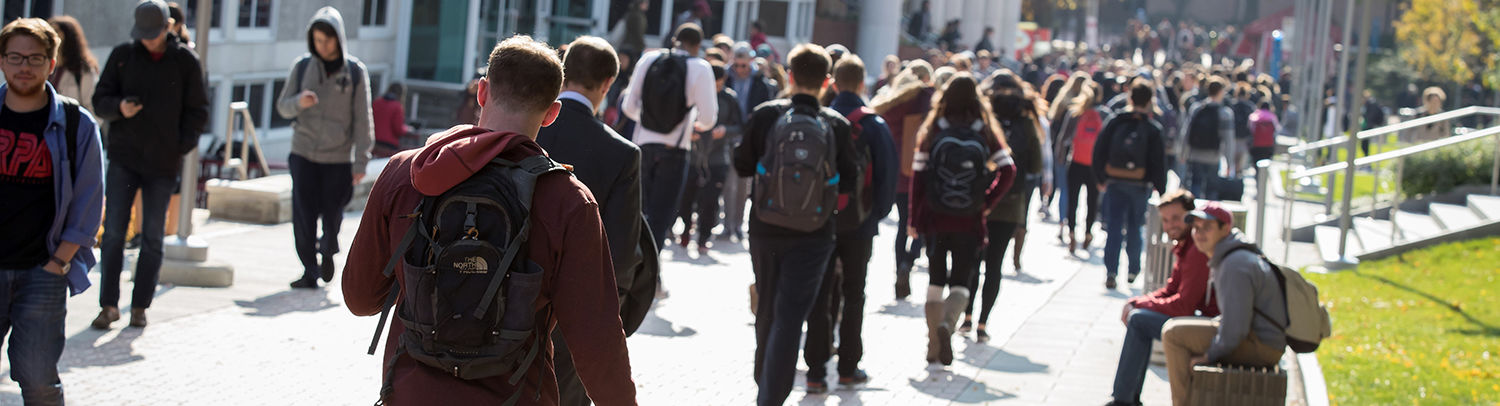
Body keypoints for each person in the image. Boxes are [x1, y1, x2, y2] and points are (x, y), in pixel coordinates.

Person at [343, 35, 636, 405]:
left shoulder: (406, 173)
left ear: (482, 92)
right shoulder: (568, 200)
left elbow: (359, 298)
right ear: (551, 113)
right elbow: (597, 339)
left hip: (411, 392)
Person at [732, 43, 859, 406]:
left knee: (768, 309)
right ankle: (771, 396)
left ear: (789, 75)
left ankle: (765, 385)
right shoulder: (836, 125)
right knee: (791, 316)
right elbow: (850, 181)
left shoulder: (765, 115)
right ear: (827, 82)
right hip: (815, 233)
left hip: (765, 227)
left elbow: (742, 165)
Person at [533, 36, 649, 406]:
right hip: (573, 317)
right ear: (608, 85)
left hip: (505, 300)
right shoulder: (621, 154)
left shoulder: (527, 128)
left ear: (562, 73)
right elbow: (620, 255)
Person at [0, 18, 104, 404]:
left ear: (51, 63)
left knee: (38, 379)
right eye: (15, 57)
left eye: (34, 58)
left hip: (42, 270)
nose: (24, 66)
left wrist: (59, 262)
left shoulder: (77, 124)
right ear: (2, 61)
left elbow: (90, 199)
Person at [91, 0, 209, 329]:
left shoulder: (185, 60)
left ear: (168, 27)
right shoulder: (123, 55)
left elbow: (198, 111)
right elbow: (99, 100)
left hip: (162, 161)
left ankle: (140, 306)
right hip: (124, 157)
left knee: (153, 236)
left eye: (154, 33)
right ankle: (108, 305)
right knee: (113, 232)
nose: (149, 40)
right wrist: (119, 109)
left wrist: (179, 147)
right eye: (144, 34)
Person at [802, 54, 897, 393]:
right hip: (858, 223)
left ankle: (815, 370)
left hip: (820, 220)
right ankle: (848, 366)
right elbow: (887, 179)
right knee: (854, 294)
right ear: (861, 83)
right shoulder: (873, 124)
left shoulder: (820, 118)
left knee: (820, 292)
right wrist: (873, 216)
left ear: (834, 81)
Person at [909, 73, 1016, 367]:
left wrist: (913, 218)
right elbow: (1009, 170)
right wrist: (987, 202)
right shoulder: (983, 131)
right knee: (962, 280)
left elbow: (918, 178)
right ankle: (949, 324)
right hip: (969, 218)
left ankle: (933, 344)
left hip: (936, 216)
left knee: (935, 279)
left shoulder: (933, 129)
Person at [274, 6, 375, 289]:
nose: (323, 46)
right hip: (303, 152)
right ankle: (309, 270)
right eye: (318, 40)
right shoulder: (302, 66)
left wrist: (361, 162)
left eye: (328, 40)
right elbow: (282, 106)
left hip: (338, 157)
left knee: (332, 213)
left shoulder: (355, 72)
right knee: (303, 214)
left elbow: (363, 119)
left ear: (339, 38)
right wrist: (298, 103)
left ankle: (328, 249)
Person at [1162, 201, 1287, 406]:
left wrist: (1209, 355)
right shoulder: (1231, 255)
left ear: (1225, 229)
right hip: (1259, 337)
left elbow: (1235, 329)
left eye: (1207, 228)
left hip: (1262, 345)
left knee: (1174, 335)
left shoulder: (1233, 265)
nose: (1199, 234)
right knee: (1178, 330)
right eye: (1196, 227)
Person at [1108, 190, 1219, 406]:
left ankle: (1123, 400)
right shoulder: (1185, 246)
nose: (1170, 226)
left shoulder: (1197, 248)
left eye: (1176, 218)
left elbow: (1182, 306)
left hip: (1214, 326)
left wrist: (1138, 306)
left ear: (1190, 216)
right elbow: (1170, 290)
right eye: (1166, 221)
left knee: (1139, 320)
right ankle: (1126, 399)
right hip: (1204, 319)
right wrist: (1136, 301)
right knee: (1139, 317)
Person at [961, 70, 1044, 342]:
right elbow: (1035, 165)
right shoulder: (1026, 120)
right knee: (994, 264)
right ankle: (983, 323)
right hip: (1011, 200)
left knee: (972, 259)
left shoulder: (983, 118)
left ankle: (967, 316)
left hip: (980, 199)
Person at [621, 23, 718, 253]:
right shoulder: (701, 68)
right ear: (697, 45)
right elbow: (708, 119)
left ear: (675, 40)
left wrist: (649, 122)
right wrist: (691, 125)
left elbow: (629, 107)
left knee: (638, 212)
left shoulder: (648, 60)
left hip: (642, 146)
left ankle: (629, 268)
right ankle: (650, 274)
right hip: (675, 149)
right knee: (661, 216)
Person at [1092, 80, 1168, 289]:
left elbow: (1099, 150)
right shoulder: (1152, 128)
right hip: (1139, 184)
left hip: (1115, 181)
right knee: (1135, 227)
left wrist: (1100, 178)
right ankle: (1134, 269)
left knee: (1114, 227)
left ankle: (1111, 270)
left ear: (1130, 97)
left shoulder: (1116, 122)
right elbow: (1158, 162)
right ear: (1150, 100)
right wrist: (1161, 190)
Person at [871, 60, 935, 300]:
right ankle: (909, 261)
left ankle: (900, 267)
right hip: (918, 171)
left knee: (901, 226)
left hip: (893, 172)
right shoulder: (927, 99)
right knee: (918, 223)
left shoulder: (890, 101)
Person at [676, 61, 742, 255]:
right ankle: (686, 230)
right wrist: (689, 132)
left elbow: (740, 126)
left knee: (710, 201)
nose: (715, 86)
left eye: (719, 82)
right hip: (693, 155)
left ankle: (704, 238)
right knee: (686, 199)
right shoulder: (693, 93)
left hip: (718, 158)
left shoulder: (729, 99)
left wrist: (725, 131)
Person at [720, 43, 776, 241]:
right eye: (737, 65)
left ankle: (737, 225)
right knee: (728, 184)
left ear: (750, 63)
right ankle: (727, 226)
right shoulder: (726, 78)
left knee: (744, 184)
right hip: (729, 135)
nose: (740, 70)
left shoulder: (761, 82)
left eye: (744, 66)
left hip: (750, 137)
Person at [1057, 81, 1105, 256]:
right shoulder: (1103, 114)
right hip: (1094, 166)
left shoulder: (1075, 113)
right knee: (1092, 202)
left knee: (1073, 201)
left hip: (1075, 162)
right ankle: (1087, 233)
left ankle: (1071, 234)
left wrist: (1060, 158)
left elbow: (1063, 137)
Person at [1179, 77, 1234, 200]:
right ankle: (1208, 216)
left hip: (1195, 154)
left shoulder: (1197, 108)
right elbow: (1229, 140)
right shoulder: (1225, 113)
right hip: (1213, 157)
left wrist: (1183, 153)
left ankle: (1194, 213)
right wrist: (1229, 163)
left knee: (1195, 185)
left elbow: (1186, 132)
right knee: (1211, 189)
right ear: (1221, 92)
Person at [46, 16, 96, 113]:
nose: (51, 35)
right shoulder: (43, 66)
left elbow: (92, 108)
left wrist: (81, 128)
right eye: (49, 30)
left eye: (56, 31)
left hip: (72, 125)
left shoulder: (83, 70)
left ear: (68, 36)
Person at [372, 82, 413, 157]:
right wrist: (407, 129)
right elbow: (398, 130)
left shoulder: (376, 102)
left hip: (374, 143)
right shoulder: (397, 106)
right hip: (388, 146)